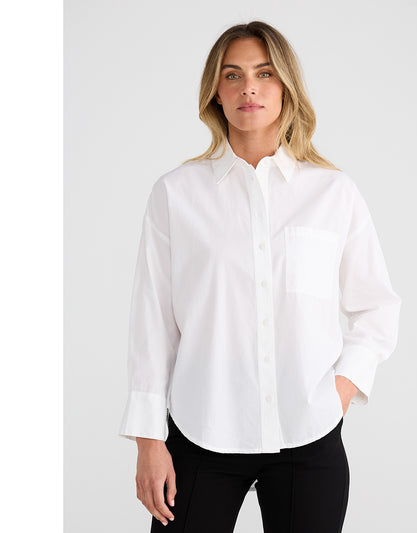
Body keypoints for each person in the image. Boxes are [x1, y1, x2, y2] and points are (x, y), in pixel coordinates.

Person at [118, 20, 401, 533]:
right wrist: (148, 441)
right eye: (233, 75)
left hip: (308, 435)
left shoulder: (333, 193)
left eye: (264, 73)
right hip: (202, 431)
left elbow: (376, 307)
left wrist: (338, 392)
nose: (249, 87)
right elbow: (152, 322)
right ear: (216, 92)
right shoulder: (176, 194)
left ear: (286, 85)